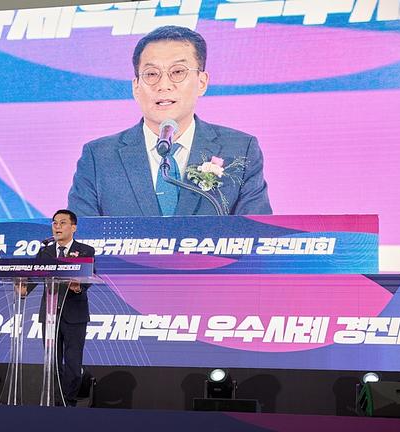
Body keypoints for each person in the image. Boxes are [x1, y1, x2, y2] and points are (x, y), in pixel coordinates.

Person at [67, 25, 272, 217]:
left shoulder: (240, 149)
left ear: (202, 82)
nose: (163, 85)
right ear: (136, 87)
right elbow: (78, 237)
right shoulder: (99, 157)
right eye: (151, 74)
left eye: (178, 72)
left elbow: (258, 234)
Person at [31, 209, 95, 407]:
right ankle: (54, 402)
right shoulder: (45, 251)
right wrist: (23, 288)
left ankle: (68, 403)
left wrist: (79, 286)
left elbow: (90, 275)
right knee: (52, 363)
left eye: (62, 222)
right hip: (50, 314)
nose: (57, 226)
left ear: (73, 227)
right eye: (54, 223)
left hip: (74, 314)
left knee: (73, 364)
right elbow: (34, 274)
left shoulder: (85, 250)